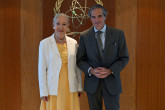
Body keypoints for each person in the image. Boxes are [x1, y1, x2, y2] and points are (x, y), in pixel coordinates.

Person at [76, 4, 129, 110]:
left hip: (112, 83)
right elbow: (80, 60)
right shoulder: (84, 36)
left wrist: (110, 70)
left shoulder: (118, 34)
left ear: (105, 16)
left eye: (100, 16)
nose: (97, 20)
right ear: (90, 18)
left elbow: (124, 58)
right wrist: (91, 70)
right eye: (93, 17)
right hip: (92, 85)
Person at [38, 13, 83, 110]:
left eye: (64, 24)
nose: (60, 27)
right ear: (53, 25)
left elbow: (77, 67)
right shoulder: (44, 44)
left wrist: (79, 86)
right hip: (53, 89)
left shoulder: (74, 43)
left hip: (70, 88)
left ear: (68, 26)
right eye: (58, 24)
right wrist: (43, 91)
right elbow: (41, 69)